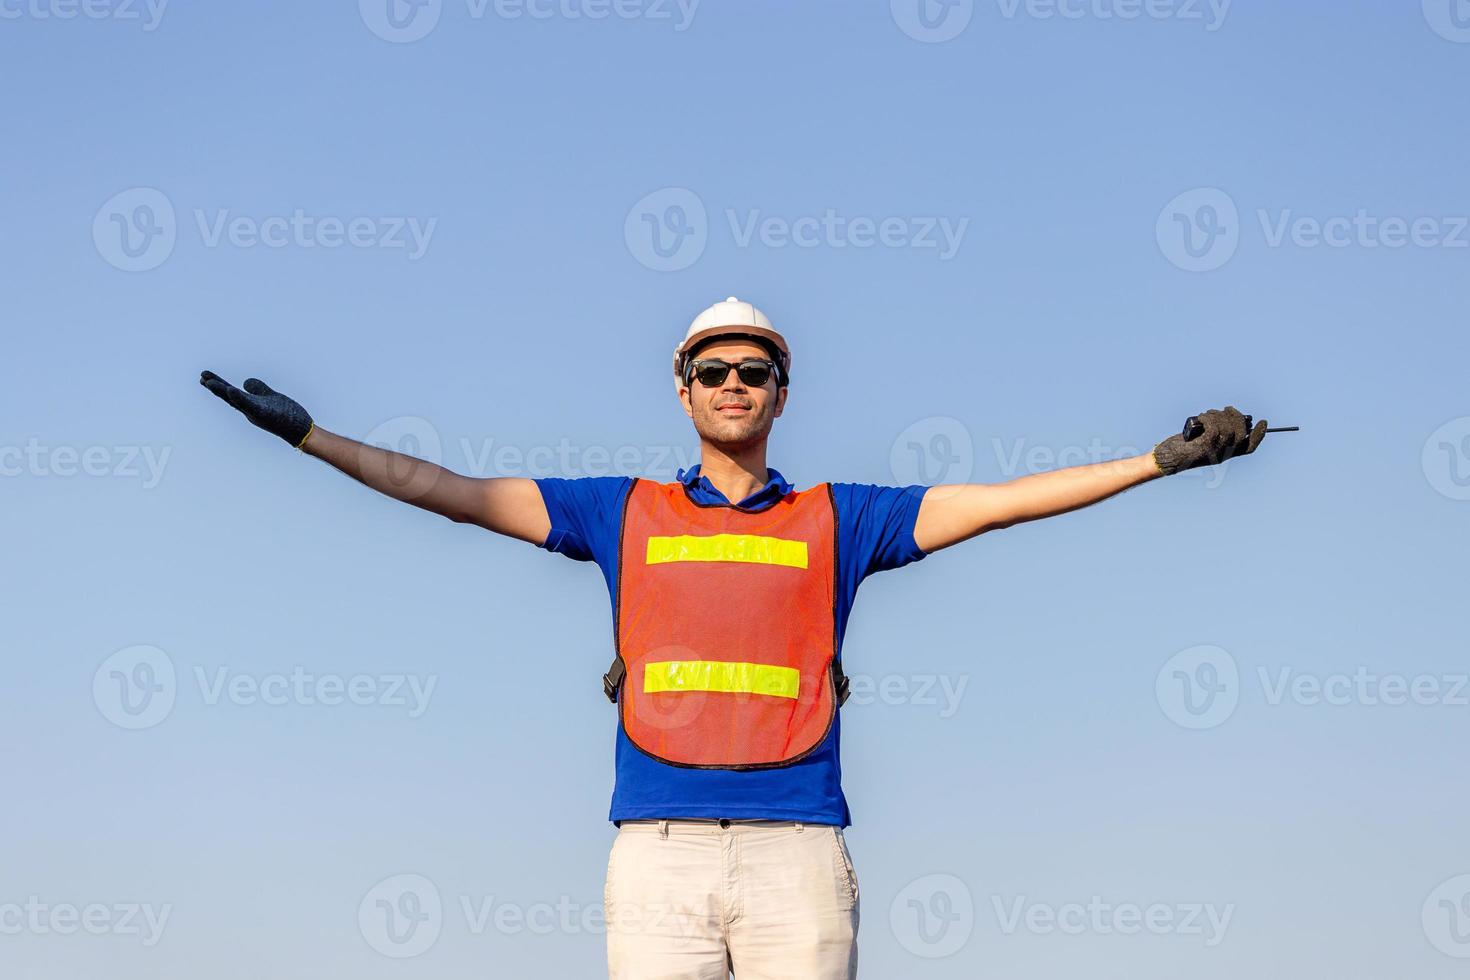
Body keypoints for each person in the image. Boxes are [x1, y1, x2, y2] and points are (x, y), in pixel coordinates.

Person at [199, 296, 1270, 979]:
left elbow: (998, 501)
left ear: (781, 391)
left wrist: (1153, 462)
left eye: (752, 370)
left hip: (797, 854)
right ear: (682, 389)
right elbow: (454, 491)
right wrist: (309, 439)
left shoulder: (845, 520)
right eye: (712, 370)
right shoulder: (615, 510)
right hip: (654, 855)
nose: (732, 385)